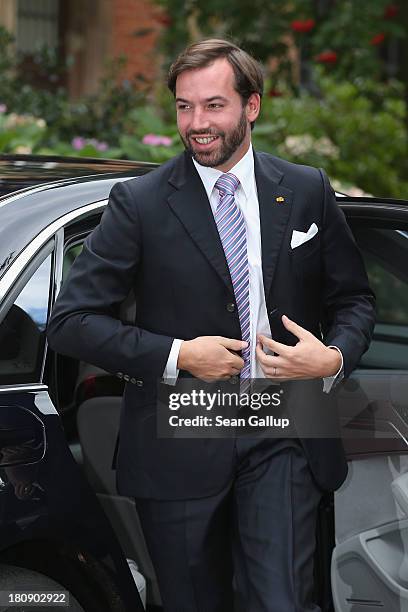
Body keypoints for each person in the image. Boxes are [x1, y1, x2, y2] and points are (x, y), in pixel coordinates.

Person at [47, 39, 376, 612]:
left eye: (213, 106)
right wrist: (179, 355)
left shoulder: (304, 190)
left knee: (283, 601)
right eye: (184, 107)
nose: (196, 123)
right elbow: (71, 323)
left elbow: (355, 301)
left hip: (284, 425)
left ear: (252, 106)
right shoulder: (140, 204)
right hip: (181, 429)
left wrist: (334, 358)